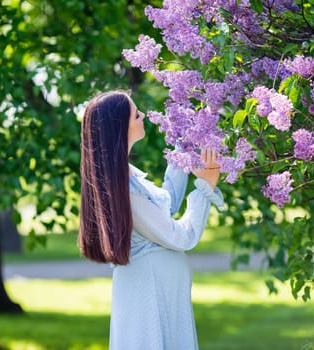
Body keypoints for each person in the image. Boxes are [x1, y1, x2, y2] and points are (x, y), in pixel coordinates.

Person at [78, 90, 226, 350]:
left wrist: (184, 149)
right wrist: (205, 186)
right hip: (149, 291)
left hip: (157, 290)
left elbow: (165, 202)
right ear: (121, 126)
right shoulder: (124, 189)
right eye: (136, 114)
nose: (143, 115)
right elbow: (182, 236)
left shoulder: (126, 178)